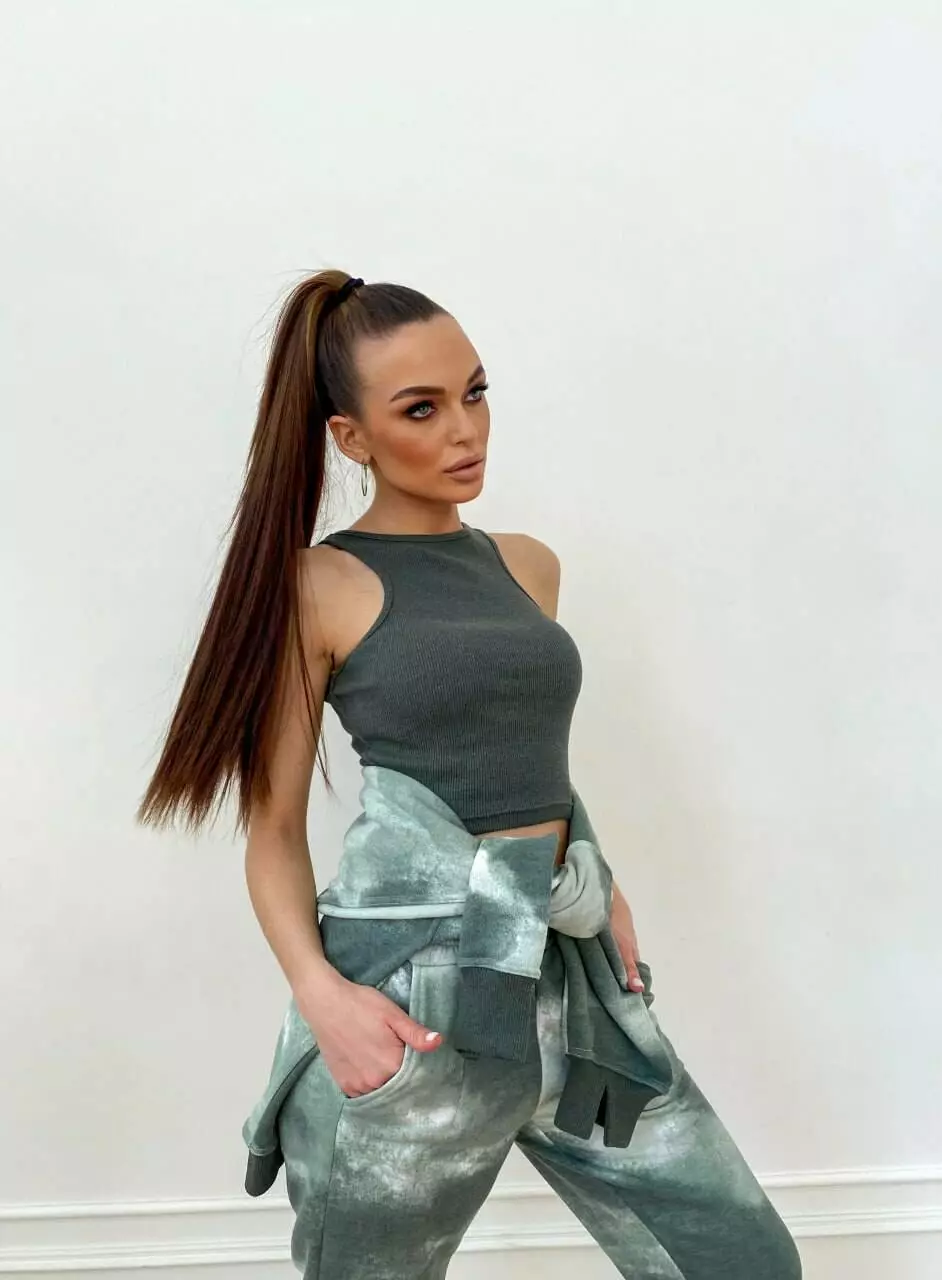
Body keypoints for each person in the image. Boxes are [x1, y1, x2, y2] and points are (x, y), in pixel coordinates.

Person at [136, 270, 802, 1278]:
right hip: (413, 989)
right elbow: (271, 830)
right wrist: (322, 996)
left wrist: (602, 882)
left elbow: (527, 755)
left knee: (743, 1259)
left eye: (475, 393)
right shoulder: (317, 584)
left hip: (569, 978)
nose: (464, 430)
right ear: (351, 437)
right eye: (421, 408)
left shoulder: (528, 565)